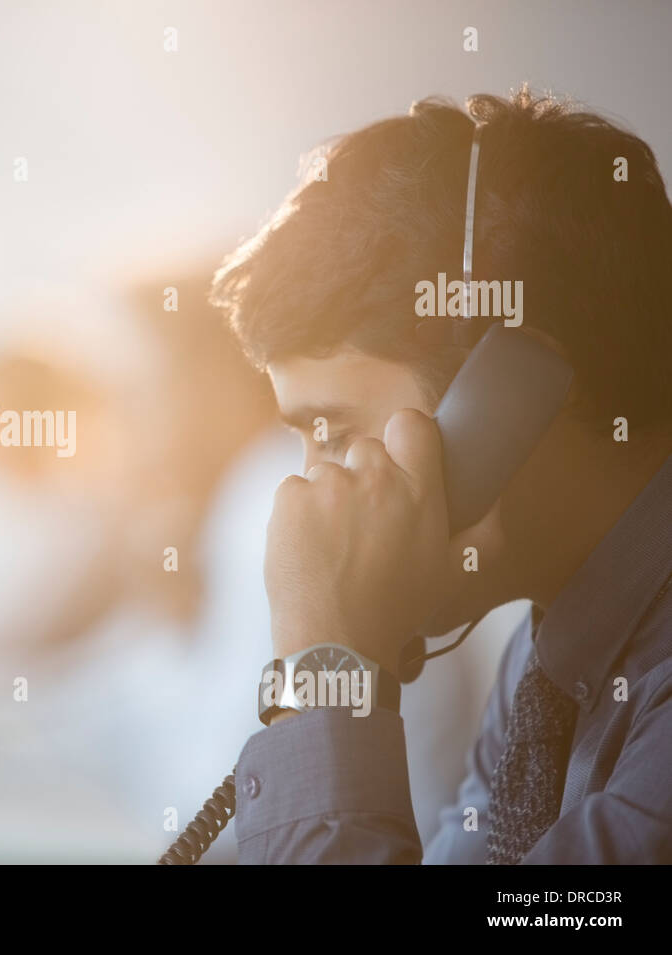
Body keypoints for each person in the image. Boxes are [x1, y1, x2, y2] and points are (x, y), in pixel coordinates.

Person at [209, 86, 672, 863]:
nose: (311, 496)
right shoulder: (553, 661)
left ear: (514, 390)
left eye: (335, 434)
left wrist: (328, 667)